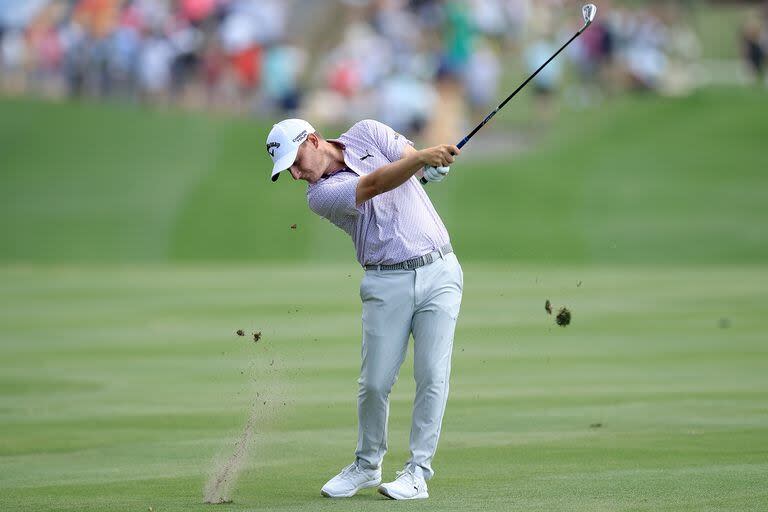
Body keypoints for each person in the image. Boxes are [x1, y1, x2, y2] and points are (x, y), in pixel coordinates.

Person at [265, 118, 463, 500]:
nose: (294, 173)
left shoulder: (368, 132)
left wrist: (429, 165)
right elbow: (375, 183)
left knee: (432, 375)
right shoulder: (320, 196)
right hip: (385, 281)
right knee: (374, 383)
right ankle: (367, 464)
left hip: (439, 270)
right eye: (286, 169)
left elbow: (408, 161)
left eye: (295, 160)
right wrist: (423, 157)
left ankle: (417, 472)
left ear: (313, 139)